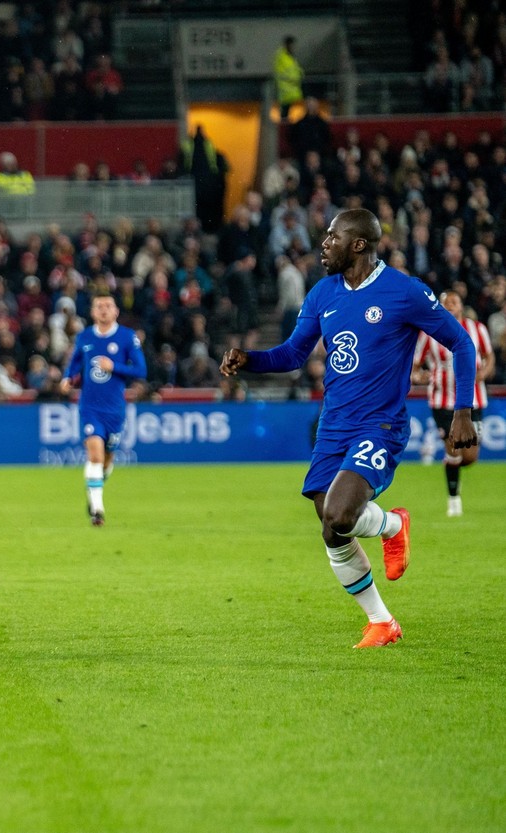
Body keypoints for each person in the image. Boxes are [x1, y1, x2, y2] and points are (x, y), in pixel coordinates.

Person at [220, 209, 478, 649]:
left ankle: (392, 532)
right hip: (333, 428)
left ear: (358, 244)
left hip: (379, 426)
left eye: (332, 237)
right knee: (330, 525)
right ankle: (383, 615)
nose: (323, 244)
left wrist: (462, 411)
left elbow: (461, 342)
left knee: (340, 513)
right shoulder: (323, 293)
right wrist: (250, 360)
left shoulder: (404, 291)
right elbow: (292, 355)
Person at [58, 293, 147, 526]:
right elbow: (76, 363)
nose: (104, 310)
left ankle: (93, 490)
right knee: (95, 455)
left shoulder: (127, 337)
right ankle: (98, 509)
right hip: (89, 407)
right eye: (99, 306)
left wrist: (113, 366)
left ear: (116, 311)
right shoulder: (85, 337)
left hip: (115, 409)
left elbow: (140, 370)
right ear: (93, 312)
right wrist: (68, 378)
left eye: (108, 306)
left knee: (107, 460)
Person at [411, 291, 494, 517]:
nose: (450, 306)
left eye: (454, 302)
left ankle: (451, 464)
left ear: (461, 306)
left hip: (473, 400)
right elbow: (415, 368)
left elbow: (489, 357)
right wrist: (421, 377)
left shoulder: (477, 329)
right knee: (453, 447)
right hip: (442, 401)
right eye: (445, 303)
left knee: (469, 457)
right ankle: (454, 499)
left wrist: (484, 372)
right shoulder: (429, 334)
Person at [273, 35, 304, 120]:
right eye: (292, 45)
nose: (293, 47)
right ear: (287, 44)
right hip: (286, 89)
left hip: (293, 88)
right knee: (284, 111)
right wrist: (292, 79)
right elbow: (280, 72)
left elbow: (294, 69)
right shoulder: (281, 56)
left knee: (288, 110)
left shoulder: (290, 56)